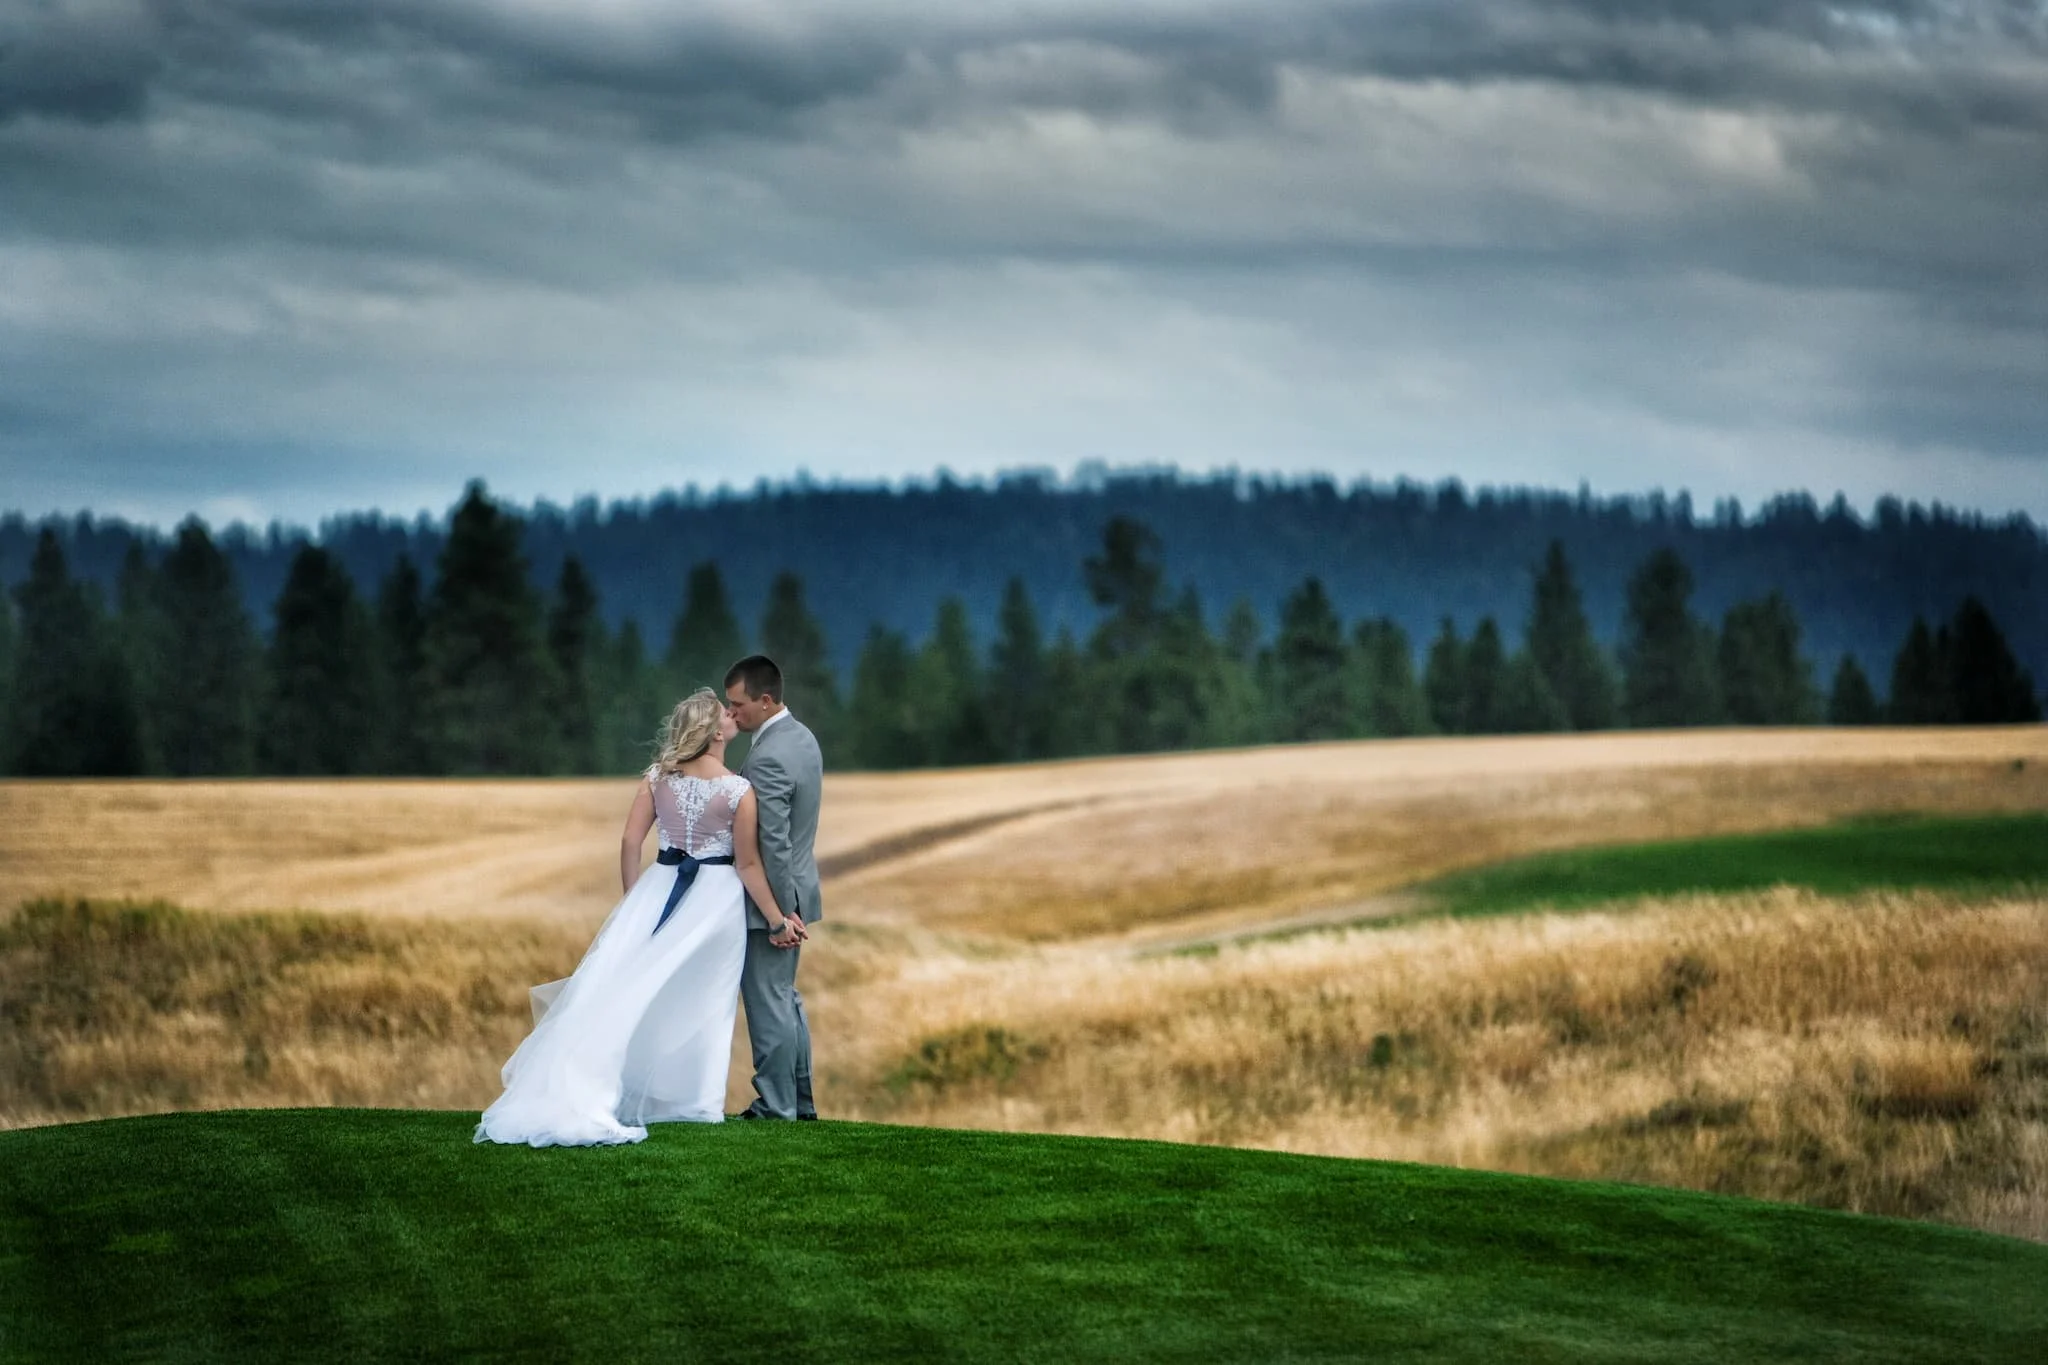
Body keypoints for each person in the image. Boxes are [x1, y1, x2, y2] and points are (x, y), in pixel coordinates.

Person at [474, 688, 801, 1147]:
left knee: (633, 987)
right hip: (716, 902)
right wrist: (777, 920)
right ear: (712, 733)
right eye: (723, 715)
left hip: (658, 887)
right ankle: (694, 1103)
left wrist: (634, 900)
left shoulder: (657, 777)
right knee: (707, 998)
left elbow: (630, 842)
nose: (731, 718)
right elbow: (747, 865)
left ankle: (636, 1092)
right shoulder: (737, 790)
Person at [723, 654, 824, 1121]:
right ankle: (799, 1104)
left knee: (768, 1003)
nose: (731, 714)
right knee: (784, 997)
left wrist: (777, 916)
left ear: (765, 701)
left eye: (737, 704)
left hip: (775, 904)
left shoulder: (767, 757)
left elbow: (774, 845)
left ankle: (776, 1106)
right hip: (797, 893)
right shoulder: (801, 737)